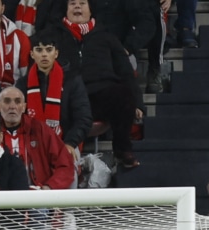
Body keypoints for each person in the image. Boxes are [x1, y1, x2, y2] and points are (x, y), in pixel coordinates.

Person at [45, 0, 142, 170]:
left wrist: (138, 103)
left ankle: (122, 151)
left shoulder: (107, 37)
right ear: (65, 10)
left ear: (91, 10)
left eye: (82, 3)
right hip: (67, 97)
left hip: (100, 95)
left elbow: (126, 72)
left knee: (123, 94)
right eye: (72, 3)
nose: (77, 7)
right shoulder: (53, 36)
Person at [24, 31, 90, 149]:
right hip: (32, 147)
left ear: (56, 53)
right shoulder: (23, 83)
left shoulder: (72, 81)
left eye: (49, 50)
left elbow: (83, 118)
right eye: (39, 50)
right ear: (32, 54)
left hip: (67, 144)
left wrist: (70, 143)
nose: (44, 54)